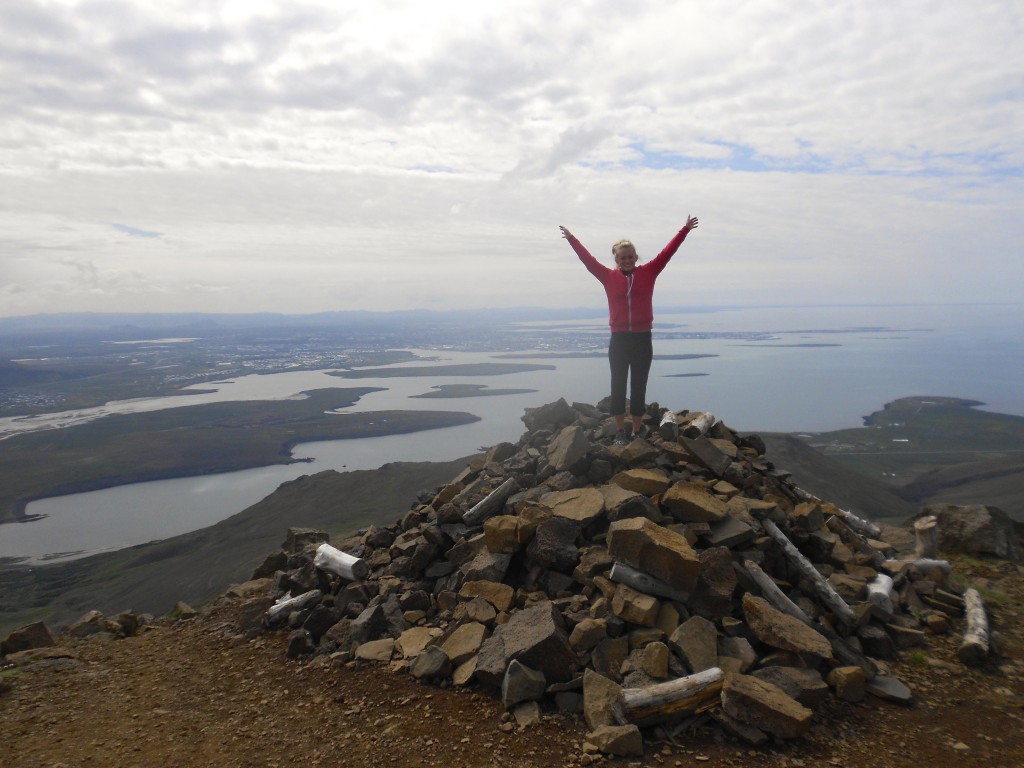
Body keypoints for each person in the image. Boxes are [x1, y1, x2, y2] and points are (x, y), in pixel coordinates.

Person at [560, 216, 699, 444]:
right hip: (620, 339)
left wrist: (684, 230)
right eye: (622, 257)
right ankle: (619, 432)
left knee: (638, 385)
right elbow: (588, 260)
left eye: (630, 257)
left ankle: (635, 431)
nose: (627, 260)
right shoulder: (608, 277)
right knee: (618, 384)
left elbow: (667, 253)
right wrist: (572, 239)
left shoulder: (649, 272)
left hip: (643, 338)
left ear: (635, 257)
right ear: (616, 259)